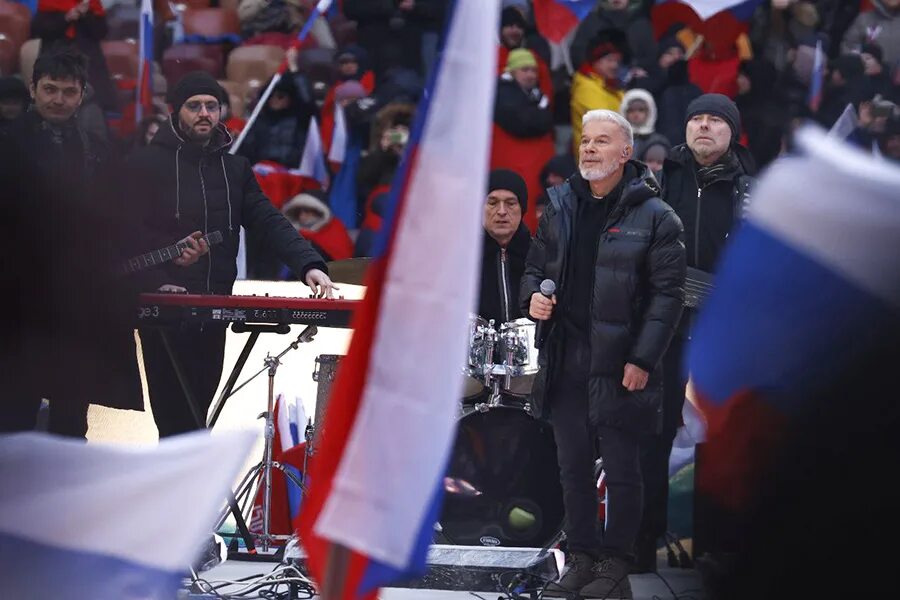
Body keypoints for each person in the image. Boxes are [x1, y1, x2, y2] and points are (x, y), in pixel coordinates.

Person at [522, 109, 685, 598]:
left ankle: (616, 562)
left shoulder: (657, 216)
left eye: (601, 142)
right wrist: (534, 296)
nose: (589, 149)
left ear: (626, 152)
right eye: (585, 141)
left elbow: (667, 297)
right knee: (571, 467)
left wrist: (642, 359)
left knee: (621, 470)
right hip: (566, 357)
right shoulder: (560, 206)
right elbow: (533, 268)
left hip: (620, 362)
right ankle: (581, 557)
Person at [128, 71, 336, 438]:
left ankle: (191, 490)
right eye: (194, 106)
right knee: (175, 421)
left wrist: (309, 264)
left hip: (214, 309)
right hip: (163, 309)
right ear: (176, 111)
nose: (204, 113)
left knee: (195, 421)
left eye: (212, 106)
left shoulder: (235, 169)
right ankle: (185, 490)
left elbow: (269, 221)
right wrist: (159, 274)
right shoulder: (145, 164)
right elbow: (126, 234)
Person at [0, 46, 144, 437]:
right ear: (33, 89)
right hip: (17, 312)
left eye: (67, 91)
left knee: (70, 425)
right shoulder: (6, 147)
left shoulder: (98, 150)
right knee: (12, 421)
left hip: (76, 313)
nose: (58, 99)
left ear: (82, 94)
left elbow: (119, 221)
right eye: (50, 89)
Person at [643, 94, 756, 570]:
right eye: (696, 119)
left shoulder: (749, 189)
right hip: (661, 329)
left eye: (715, 120)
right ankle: (640, 544)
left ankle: (716, 544)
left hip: (721, 333)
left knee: (722, 437)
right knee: (652, 433)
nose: (703, 127)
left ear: (732, 131)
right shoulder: (659, 179)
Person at [490, 49, 554, 233]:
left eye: (533, 71)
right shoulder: (503, 92)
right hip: (515, 163)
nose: (531, 75)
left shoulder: (534, 95)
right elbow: (522, 122)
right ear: (512, 71)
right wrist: (541, 115)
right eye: (525, 70)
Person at [477, 169, 530, 326]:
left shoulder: (541, 255)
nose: (501, 212)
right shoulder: (463, 257)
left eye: (510, 203)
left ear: (522, 209)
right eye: (492, 203)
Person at [570, 29, 628, 154]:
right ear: (595, 62)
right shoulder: (586, 87)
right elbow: (604, 122)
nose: (614, 66)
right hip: (594, 157)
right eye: (609, 60)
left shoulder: (612, 87)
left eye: (617, 61)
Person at [619, 88, 669, 160]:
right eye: (631, 110)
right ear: (624, 112)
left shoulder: (658, 141)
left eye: (641, 110)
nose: (636, 114)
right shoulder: (618, 139)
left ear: (650, 112)